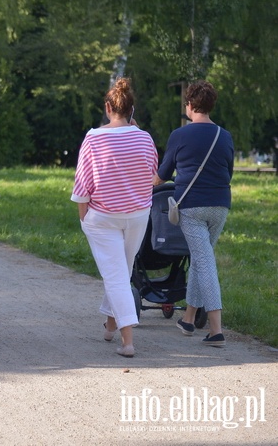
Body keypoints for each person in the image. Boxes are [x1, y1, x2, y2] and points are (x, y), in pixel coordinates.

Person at [71, 78, 158, 358]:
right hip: (137, 215)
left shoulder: (94, 137)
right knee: (121, 270)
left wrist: (84, 218)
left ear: (108, 108)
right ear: (131, 109)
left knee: (117, 276)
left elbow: (83, 184)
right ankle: (110, 326)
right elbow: (152, 175)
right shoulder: (145, 137)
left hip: (103, 217)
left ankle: (128, 341)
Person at [153, 80, 234, 347]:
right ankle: (188, 318)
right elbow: (228, 173)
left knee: (205, 262)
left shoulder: (180, 135)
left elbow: (162, 176)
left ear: (190, 105)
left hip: (193, 208)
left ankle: (216, 329)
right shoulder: (225, 135)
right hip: (220, 205)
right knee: (202, 259)